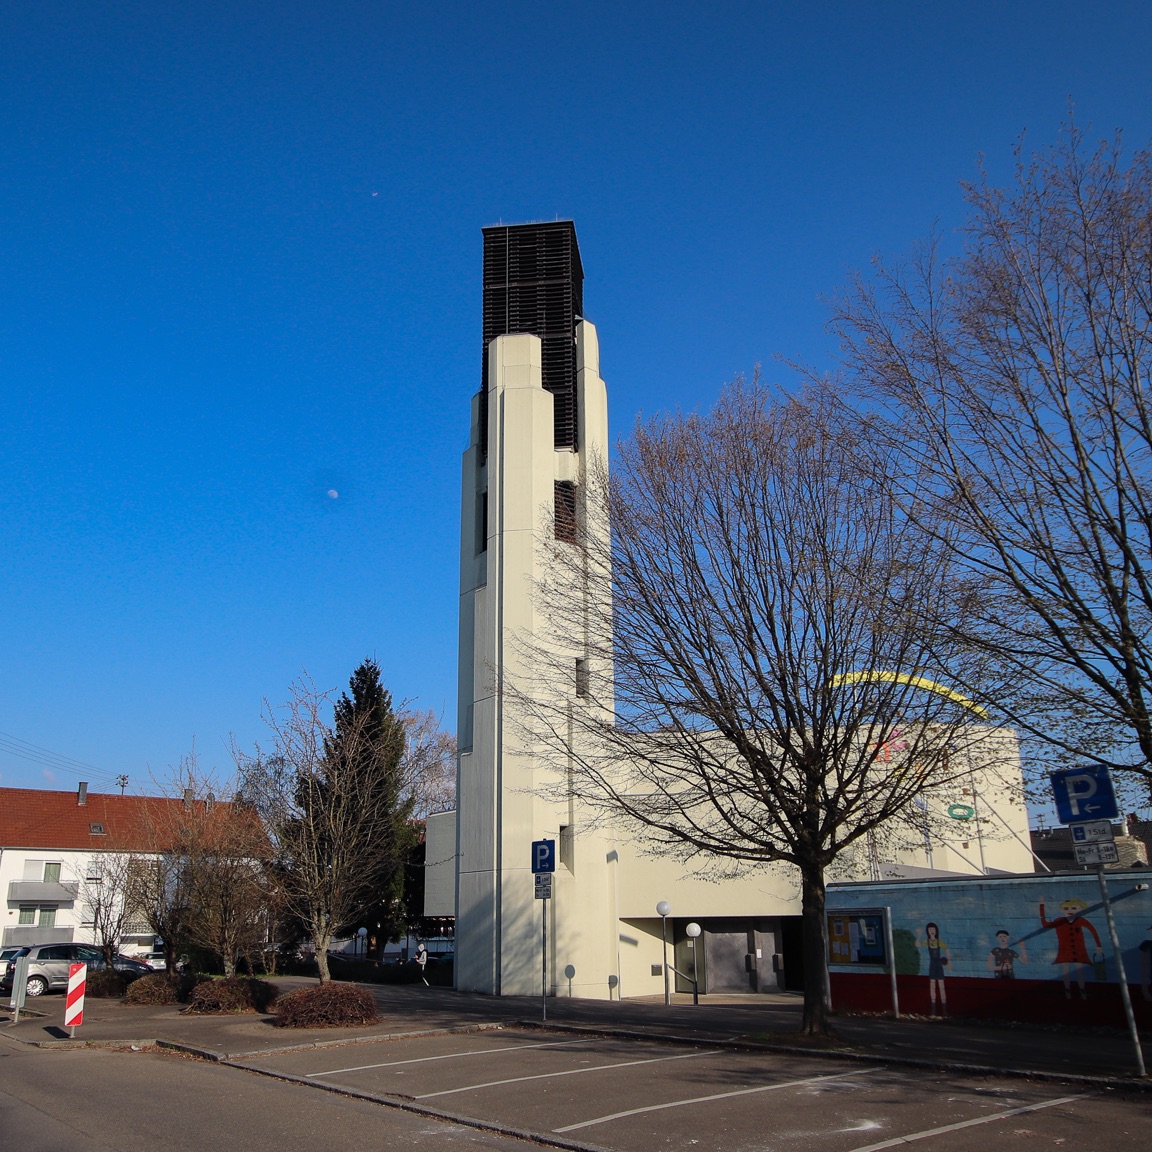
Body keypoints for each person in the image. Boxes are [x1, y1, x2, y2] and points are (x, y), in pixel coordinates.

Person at [1039, 898, 1102, 999]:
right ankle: (1067, 990)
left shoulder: (1081, 920)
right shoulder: (1059, 921)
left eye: (1073, 908)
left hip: (1079, 950)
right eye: (1066, 908)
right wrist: (1041, 907)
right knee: (1066, 970)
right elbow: (1045, 924)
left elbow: (1093, 930)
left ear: (1077, 909)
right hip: (1065, 950)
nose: (1070, 910)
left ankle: (1082, 990)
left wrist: (1098, 945)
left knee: (1079, 970)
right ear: (1062, 910)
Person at [915, 922, 950, 1016]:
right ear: (928, 931)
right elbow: (918, 944)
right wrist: (919, 935)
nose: (932, 931)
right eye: (930, 930)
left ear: (936, 931)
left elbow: (947, 949)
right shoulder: (928, 941)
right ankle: (933, 1009)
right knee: (932, 986)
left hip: (939, 965)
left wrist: (948, 961)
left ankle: (944, 1009)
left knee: (941, 986)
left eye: (933, 929)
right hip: (932, 965)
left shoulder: (939, 942)